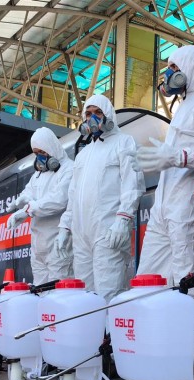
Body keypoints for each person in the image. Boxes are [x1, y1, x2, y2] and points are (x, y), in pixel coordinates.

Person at [135, 45, 194, 380]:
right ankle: (155, 356)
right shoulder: (183, 109)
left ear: (189, 67)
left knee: (192, 286)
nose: (167, 74)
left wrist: (179, 155)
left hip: (187, 206)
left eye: (172, 66)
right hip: (163, 208)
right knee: (147, 281)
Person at [55, 94, 145, 302]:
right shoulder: (83, 155)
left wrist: (123, 220)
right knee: (85, 295)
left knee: (108, 291)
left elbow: (133, 184)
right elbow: (73, 196)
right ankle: (91, 334)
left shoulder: (124, 142)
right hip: (82, 234)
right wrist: (64, 228)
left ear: (108, 115)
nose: (92, 118)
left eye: (97, 113)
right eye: (88, 114)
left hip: (108, 231)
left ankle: (110, 334)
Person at [6, 126, 74, 285]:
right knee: (40, 290)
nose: (40, 158)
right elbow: (29, 192)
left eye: (42, 152)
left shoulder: (69, 169)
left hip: (58, 241)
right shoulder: (38, 174)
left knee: (59, 292)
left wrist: (28, 210)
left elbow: (58, 200)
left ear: (52, 147)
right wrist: (20, 206)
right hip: (38, 244)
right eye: (36, 153)